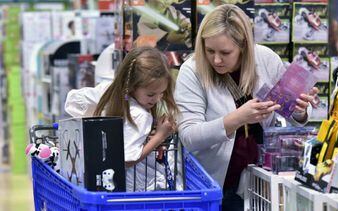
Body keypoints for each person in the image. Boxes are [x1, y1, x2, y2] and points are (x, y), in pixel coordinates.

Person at [174, 4, 318, 210]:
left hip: (259, 181)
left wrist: (300, 110)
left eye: (225, 52)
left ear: (243, 47)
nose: (216, 59)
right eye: (209, 51)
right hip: (215, 184)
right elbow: (189, 136)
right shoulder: (192, 71)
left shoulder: (266, 59)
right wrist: (237, 118)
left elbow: (294, 113)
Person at [65, 47, 180, 192]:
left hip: (104, 179)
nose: (157, 99)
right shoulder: (140, 115)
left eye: (161, 93)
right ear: (131, 86)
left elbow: (72, 102)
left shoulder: (109, 91)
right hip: (134, 187)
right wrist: (160, 136)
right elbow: (128, 160)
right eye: (151, 94)